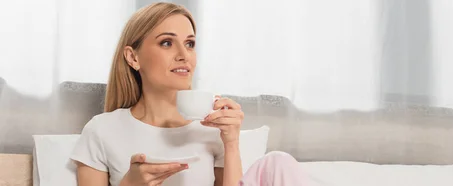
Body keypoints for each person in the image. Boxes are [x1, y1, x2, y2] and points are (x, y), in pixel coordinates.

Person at [70, 2, 310, 186]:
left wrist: (231, 143)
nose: (184, 55)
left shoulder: (210, 129)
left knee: (278, 162)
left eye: (190, 44)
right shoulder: (102, 130)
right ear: (133, 57)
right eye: (166, 43)